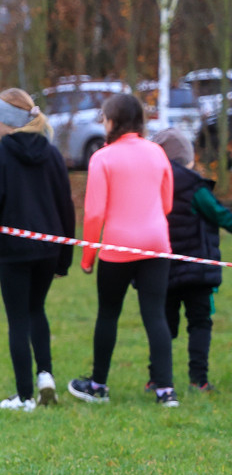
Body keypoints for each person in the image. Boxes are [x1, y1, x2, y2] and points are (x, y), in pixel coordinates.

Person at [68, 94, 178, 407]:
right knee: (155, 315)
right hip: (157, 244)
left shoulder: (103, 157)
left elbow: (94, 215)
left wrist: (88, 258)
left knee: (109, 313)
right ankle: (165, 391)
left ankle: (98, 385)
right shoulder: (157, 152)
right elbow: (167, 203)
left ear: (113, 122)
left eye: (104, 118)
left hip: (117, 246)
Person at [0, 88, 76, 411]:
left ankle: (25, 396)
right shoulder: (52, 155)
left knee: (18, 318)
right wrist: (65, 256)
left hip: (14, 252)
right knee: (37, 310)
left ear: (7, 122)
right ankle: (45, 375)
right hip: (48, 250)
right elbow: (66, 207)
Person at [150, 128, 232, 391]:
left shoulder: (152, 184)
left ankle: (157, 379)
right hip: (198, 272)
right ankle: (199, 380)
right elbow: (221, 215)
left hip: (163, 269)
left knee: (163, 325)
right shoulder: (195, 186)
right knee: (199, 323)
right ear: (185, 157)